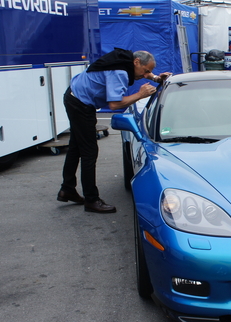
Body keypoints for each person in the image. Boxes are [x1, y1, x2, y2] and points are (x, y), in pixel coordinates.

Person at [57, 49, 171, 213]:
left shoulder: (124, 60)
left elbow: (143, 73)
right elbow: (115, 104)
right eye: (146, 71)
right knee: (89, 151)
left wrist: (155, 78)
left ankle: (67, 189)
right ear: (136, 62)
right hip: (81, 104)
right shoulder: (120, 72)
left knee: (76, 147)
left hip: (74, 96)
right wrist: (140, 94)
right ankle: (91, 199)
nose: (146, 74)